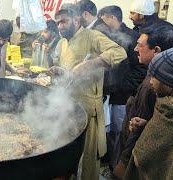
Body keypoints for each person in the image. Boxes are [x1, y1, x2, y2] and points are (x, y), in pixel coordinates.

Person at [54, 6, 127, 180]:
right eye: (57, 23)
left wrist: (92, 64)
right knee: (69, 153)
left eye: (63, 21)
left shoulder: (92, 36)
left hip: (88, 108)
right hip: (68, 105)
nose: (60, 26)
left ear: (77, 20)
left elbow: (119, 52)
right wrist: (60, 71)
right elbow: (71, 72)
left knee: (88, 157)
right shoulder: (63, 42)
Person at [114, 26, 173, 179]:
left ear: (156, 50)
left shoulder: (155, 89)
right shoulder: (156, 78)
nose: (135, 49)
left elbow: (150, 146)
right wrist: (146, 124)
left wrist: (123, 163)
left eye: (140, 45)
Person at [98, 5, 148, 169]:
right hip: (108, 93)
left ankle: (116, 166)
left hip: (123, 96)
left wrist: (121, 86)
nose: (101, 23)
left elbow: (141, 69)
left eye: (103, 18)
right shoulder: (106, 36)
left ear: (112, 17)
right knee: (108, 130)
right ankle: (108, 160)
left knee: (121, 131)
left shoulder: (133, 37)